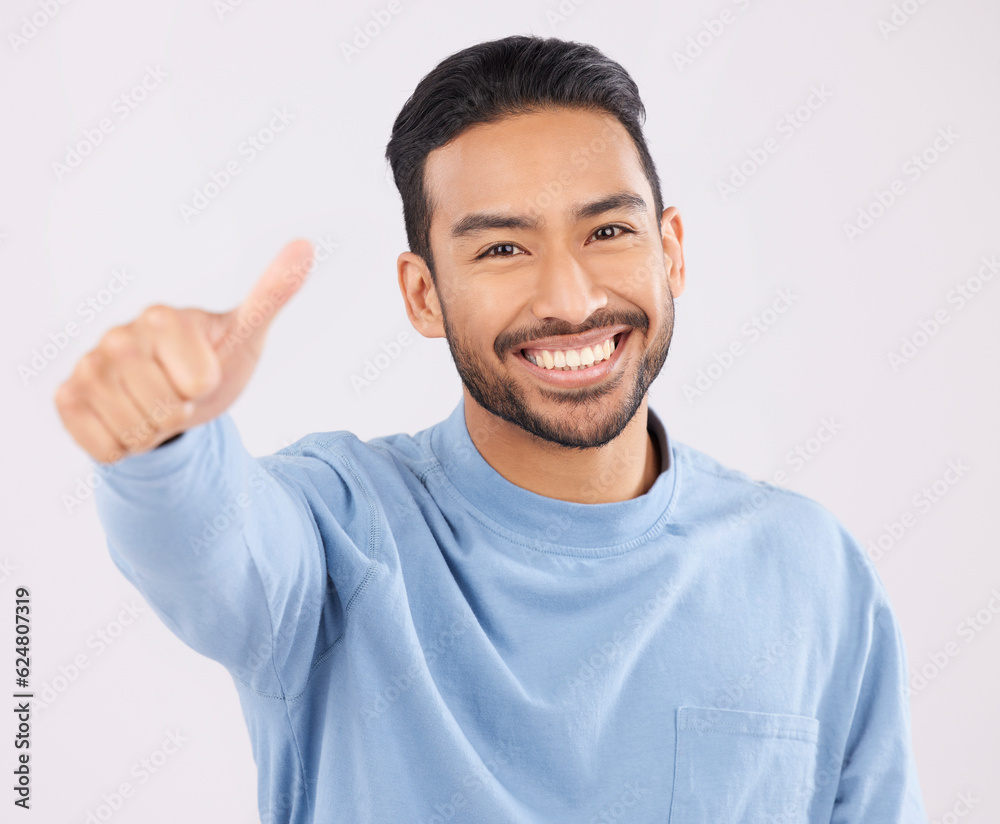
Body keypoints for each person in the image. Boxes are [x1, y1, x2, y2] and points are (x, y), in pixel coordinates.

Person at [54, 34, 928, 824]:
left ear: (672, 252)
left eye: (609, 230)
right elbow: (209, 546)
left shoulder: (812, 568)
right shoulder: (340, 532)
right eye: (502, 249)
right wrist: (162, 435)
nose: (571, 299)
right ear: (423, 294)